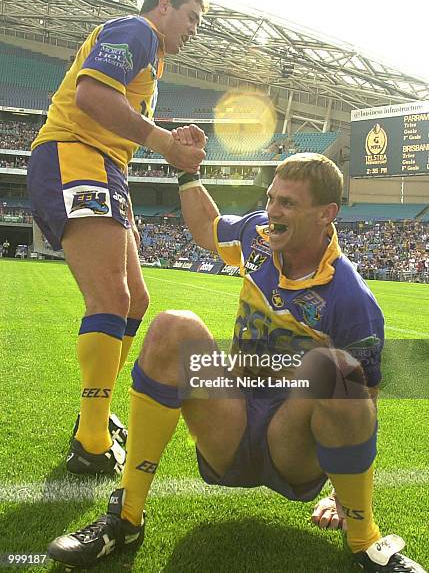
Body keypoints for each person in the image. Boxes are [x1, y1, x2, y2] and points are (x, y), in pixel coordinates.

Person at [47, 151, 426, 572]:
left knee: (337, 370)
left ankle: (364, 541)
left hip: (291, 446)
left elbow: (365, 401)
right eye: (271, 198)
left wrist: (340, 495)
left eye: (288, 203)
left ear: (326, 214)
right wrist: (186, 173)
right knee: (174, 326)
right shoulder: (257, 235)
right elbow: (207, 230)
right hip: (230, 423)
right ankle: (126, 517)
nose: (272, 211)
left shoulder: (351, 297)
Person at [27, 0, 208, 475]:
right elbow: (90, 95)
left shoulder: (152, 58)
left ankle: (96, 413)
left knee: (136, 301)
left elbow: (118, 108)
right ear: (164, 5)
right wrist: (163, 143)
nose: (195, 29)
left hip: (105, 167)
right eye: (191, 16)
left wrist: (168, 137)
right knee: (110, 298)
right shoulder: (138, 30)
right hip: (75, 155)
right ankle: (90, 441)